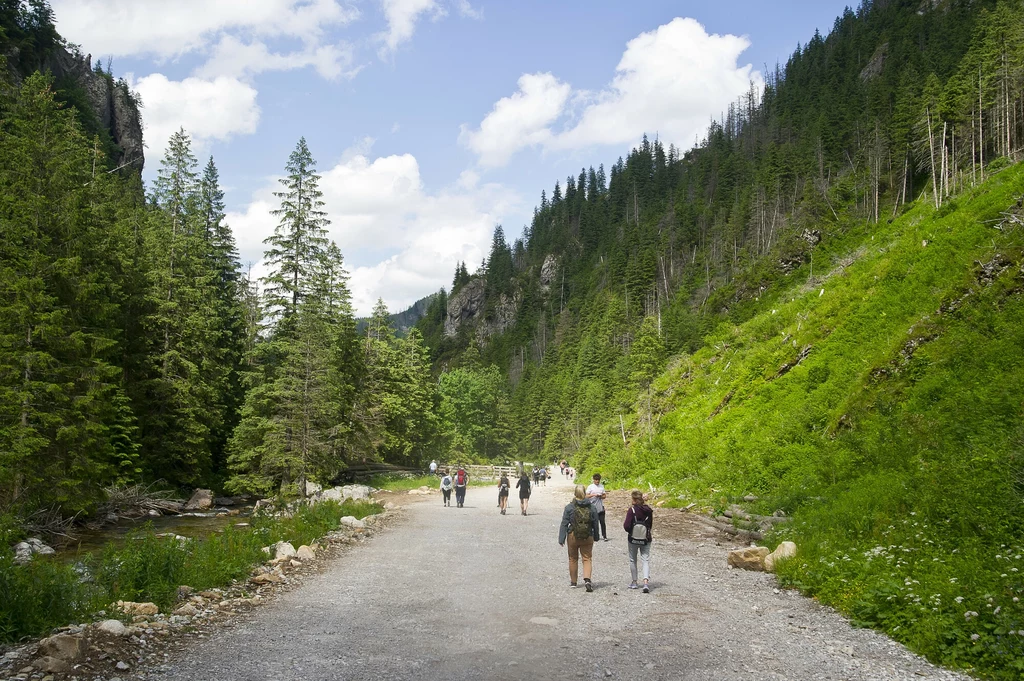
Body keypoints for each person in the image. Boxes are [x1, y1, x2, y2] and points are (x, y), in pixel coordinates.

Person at [558, 485, 600, 591]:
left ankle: (573, 582)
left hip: (573, 535)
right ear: (585, 493)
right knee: (587, 558)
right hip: (588, 535)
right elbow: (595, 523)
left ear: (575, 493)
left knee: (573, 559)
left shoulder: (569, 507)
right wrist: (596, 536)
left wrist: (561, 538)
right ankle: (587, 580)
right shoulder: (592, 507)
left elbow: (564, 523)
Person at [623, 490, 653, 592]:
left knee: (633, 559)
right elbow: (650, 525)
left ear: (634, 500)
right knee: (645, 559)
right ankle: (645, 583)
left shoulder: (632, 510)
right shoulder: (649, 510)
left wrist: (631, 530)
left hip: (633, 538)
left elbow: (626, 526)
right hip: (646, 538)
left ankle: (635, 582)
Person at [586, 473, 609, 541]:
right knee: (593, 522)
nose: (597, 481)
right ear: (593, 480)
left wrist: (600, 496)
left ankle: (604, 536)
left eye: (598, 480)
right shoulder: (590, 487)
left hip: (600, 507)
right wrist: (593, 495)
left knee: (602, 522)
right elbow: (586, 496)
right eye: (596, 480)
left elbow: (604, 496)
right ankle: (593, 535)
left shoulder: (601, 486)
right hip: (592, 507)